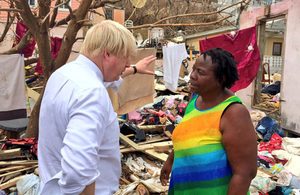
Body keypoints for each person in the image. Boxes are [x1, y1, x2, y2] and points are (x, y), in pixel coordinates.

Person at [38, 20, 156, 195]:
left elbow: (108, 78)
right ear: (107, 53)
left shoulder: (63, 74)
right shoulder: (92, 92)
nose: (127, 63)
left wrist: (135, 69)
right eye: (126, 57)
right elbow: (77, 173)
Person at [160, 48, 257, 195]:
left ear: (221, 79)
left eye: (201, 72)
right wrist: (170, 161)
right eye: (193, 70)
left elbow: (245, 173)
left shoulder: (233, 112)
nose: (192, 76)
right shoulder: (194, 100)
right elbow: (189, 136)